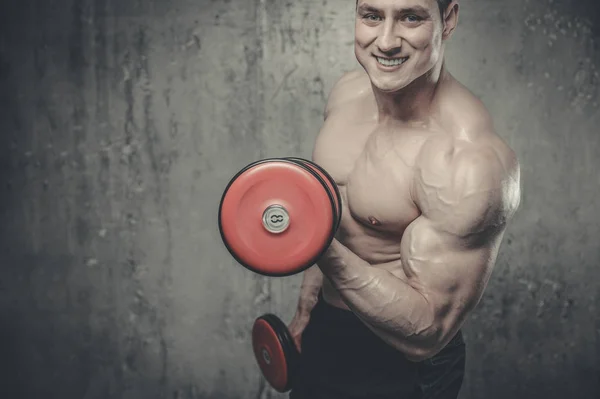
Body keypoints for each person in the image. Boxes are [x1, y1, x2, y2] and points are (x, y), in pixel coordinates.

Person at [286, 0, 521, 398]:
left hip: (401, 363)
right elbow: (337, 216)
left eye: (411, 17)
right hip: (326, 330)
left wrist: (314, 243)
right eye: (372, 16)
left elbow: (428, 332)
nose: (386, 41)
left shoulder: (467, 160)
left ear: (448, 19)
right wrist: (306, 310)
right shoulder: (346, 93)